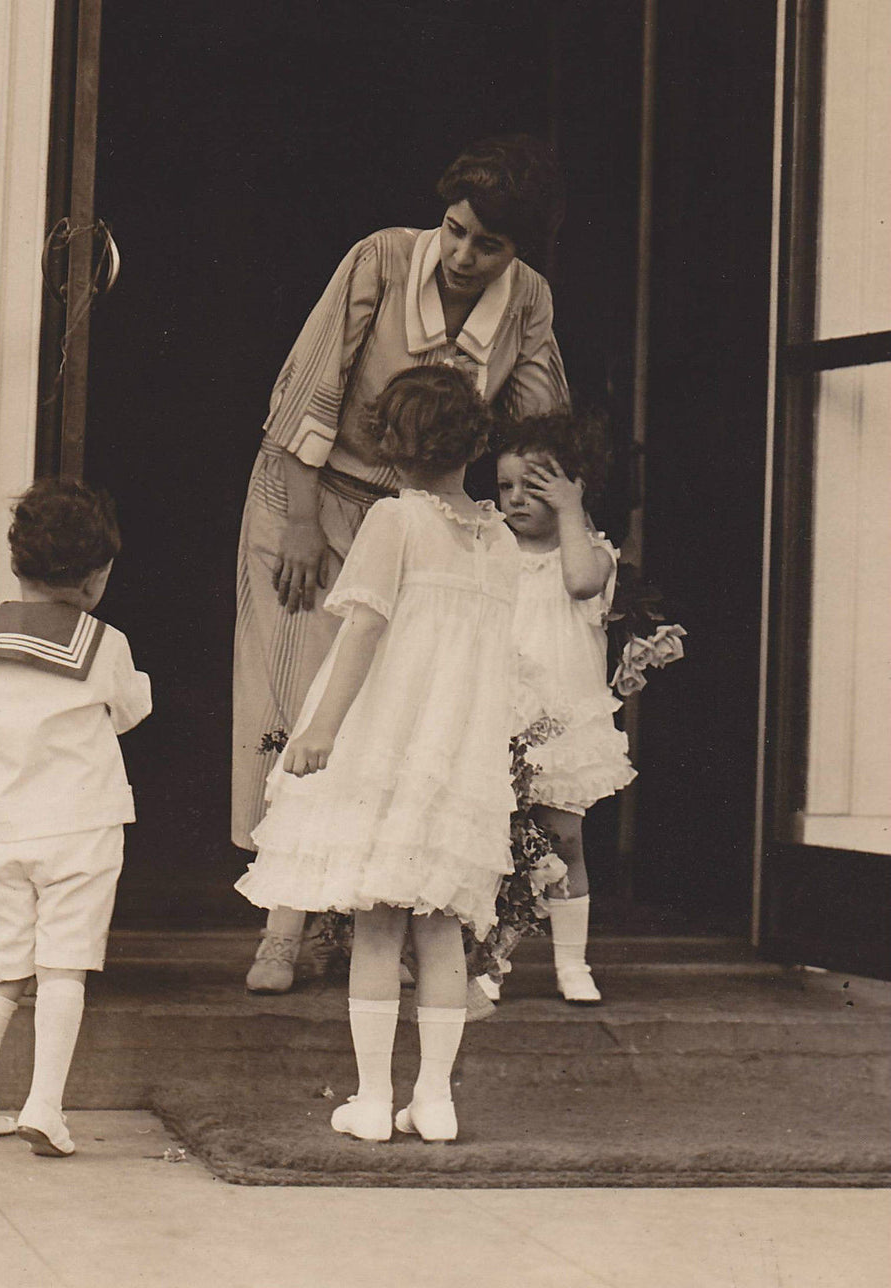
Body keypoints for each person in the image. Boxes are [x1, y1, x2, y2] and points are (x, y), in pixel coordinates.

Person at [234, 134, 570, 992]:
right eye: (455, 230)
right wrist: (304, 526)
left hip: (428, 516)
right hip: (312, 496)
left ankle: (379, 928)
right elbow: (305, 390)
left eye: (487, 244)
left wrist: (541, 519)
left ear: (516, 249)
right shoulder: (380, 260)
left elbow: (542, 425)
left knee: (401, 718)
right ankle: (284, 926)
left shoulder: (527, 299)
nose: (462, 255)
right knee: (306, 699)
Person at [236, 366, 520, 1142]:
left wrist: (321, 727)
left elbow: (361, 628)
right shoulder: (499, 541)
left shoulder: (396, 521)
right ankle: (434, 1098)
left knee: (378, 926)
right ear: (475, 445)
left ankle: (371, 1097)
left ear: (392, 449)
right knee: (438, 929)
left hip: (389, 744)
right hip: (454, 756)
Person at [0, 478, 151, 1156]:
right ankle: (44, 1106)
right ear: (97, 576)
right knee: (64, 967)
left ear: (16, 563)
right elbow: (129, 711)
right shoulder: (102, 642)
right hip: (80, 830)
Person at [485, 410, 635, 1005]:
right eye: (505, 486)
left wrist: (571, 511)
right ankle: (488, 959)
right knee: (493, 841)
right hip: (496, 714)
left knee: (562, 839)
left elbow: (579, 583)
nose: (516, 499)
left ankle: (572, 963)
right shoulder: (492, 546)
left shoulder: (593, 553)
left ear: (573, 486)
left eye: (535, 486)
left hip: (559, 721)